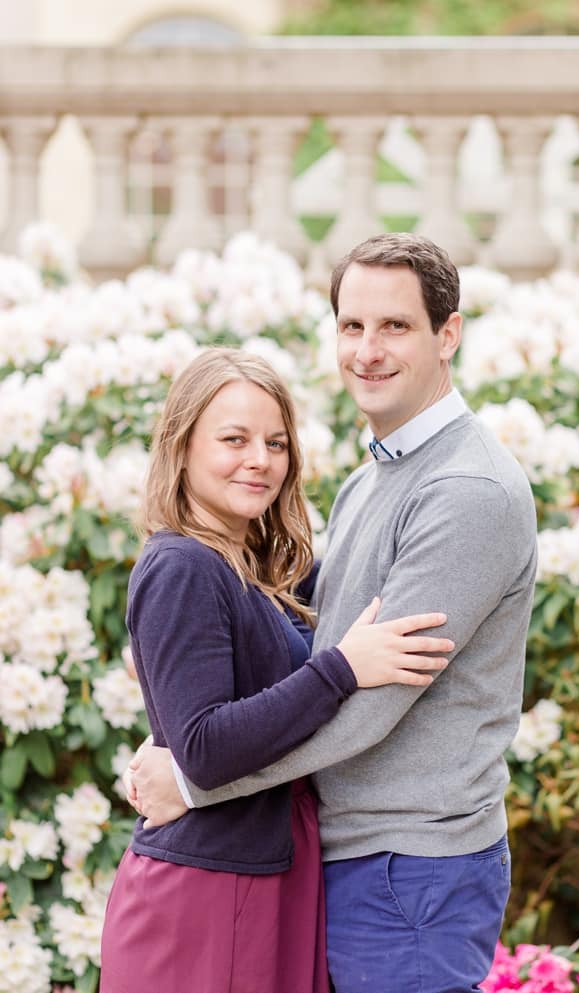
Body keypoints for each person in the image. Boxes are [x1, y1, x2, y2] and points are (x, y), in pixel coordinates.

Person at [127, 233, 539, 993]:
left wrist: (194, 782)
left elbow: (370, 705)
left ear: (448, 334)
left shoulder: (465, 491)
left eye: (395, 326)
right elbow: (307, 647)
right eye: (352, 326)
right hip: (352, 857)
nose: (368, 350)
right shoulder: (367, 481)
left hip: (409, 862)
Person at [101, 348, 456, 993]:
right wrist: (343, 669)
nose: (259, 459)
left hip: (266, 872)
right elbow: (204, 749)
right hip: (210, 892)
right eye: (233, 439)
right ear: (181, 448)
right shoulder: (182, 567)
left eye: (276, 442)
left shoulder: (254, 569)